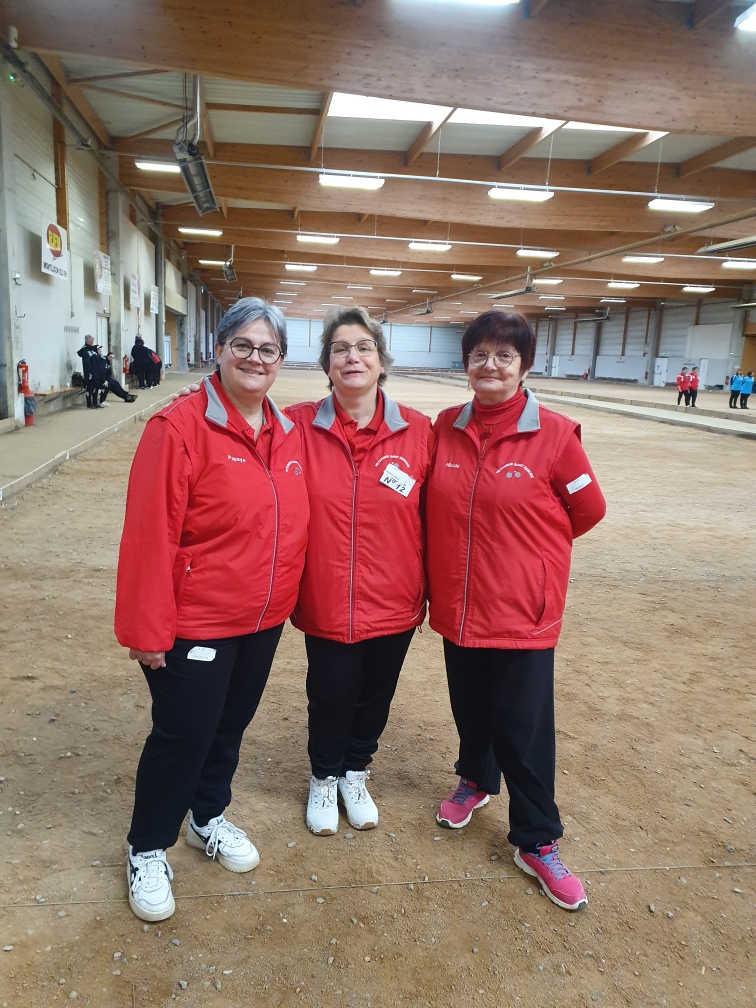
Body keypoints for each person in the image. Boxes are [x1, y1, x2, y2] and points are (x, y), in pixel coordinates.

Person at [115, 298, 309, 922]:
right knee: (184, 733)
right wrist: (147, 630)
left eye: (268, 349)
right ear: (219, 350)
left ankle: (208, 815)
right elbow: (150, 536)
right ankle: (148, 845)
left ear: (281, 359)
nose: (255, 358)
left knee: (229, 726)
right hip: (196, 620)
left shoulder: (288, 431)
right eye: (243, 346)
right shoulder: (178, 429)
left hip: (262, 616)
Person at [425, 310, 606, 913]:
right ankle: (476, 779)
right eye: (479, 354)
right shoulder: (445, 428)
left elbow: (590, 509)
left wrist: (532, 563)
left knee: (524, 733)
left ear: (525, 365)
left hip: (523, 613)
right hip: (460, 606)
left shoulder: (555, 436)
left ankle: (536, 839)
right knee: (471, 708)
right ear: (466, 363)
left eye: (505, 356)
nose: (491, 366)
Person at [287, 307, 432, 836]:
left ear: (381, 362)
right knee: (330, 691)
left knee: (376, 694)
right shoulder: (296, 425)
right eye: (340, 348)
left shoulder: (419, 432)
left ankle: (355, 771)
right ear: (327, 364)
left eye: (363, 347)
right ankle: (324, 776)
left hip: (394, 595)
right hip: (327, 594)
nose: (352, 356)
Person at [77, 335, 105, 409]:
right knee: (89, 389)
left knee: (95, 389)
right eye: (91, 341)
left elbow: (97, 362)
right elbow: (87, 364)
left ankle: (95, 403)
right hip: (90, 374)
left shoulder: (93, 350)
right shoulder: (85, 351)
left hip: (96, 374)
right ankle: (89, 404)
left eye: (93, 341)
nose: (92, 342)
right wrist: (91, 372)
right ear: (87, 341)